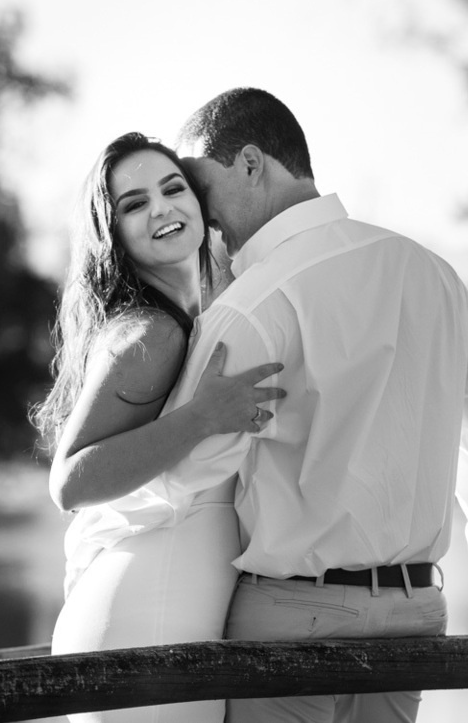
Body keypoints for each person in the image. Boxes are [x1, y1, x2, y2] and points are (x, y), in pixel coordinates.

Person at [130, 87, 468, 723]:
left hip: (294, 617)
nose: (200, 215)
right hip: (415, 613)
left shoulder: (250, 306)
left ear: (251, 164)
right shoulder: (433, 273)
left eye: (201, 188)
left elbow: (183, 479)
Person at [32, 132, 285, 723]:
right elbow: (70, 482)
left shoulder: (199, 316)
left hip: (168, 617)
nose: (162, 208)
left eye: (173, 189)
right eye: (134, 203)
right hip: (146, 621)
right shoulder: (153, 333)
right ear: (113, 233)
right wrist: (202, 418)